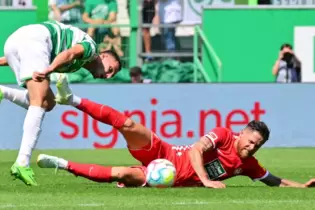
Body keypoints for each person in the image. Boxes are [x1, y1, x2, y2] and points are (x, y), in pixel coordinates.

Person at [37, 75, 315, 188]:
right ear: (242, 133)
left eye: (258, 146)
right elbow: (196, 150)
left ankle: (62, 164)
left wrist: (301, 187)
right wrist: (205, 180)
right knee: (130, 125)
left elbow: (273, 180)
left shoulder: (248, 165)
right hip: (165, 152)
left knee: (121, 174)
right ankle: (71, 99)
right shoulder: (223, 134)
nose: (252, 147)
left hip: (167, 178)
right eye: (252, 141)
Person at [0, 20, 121, 186]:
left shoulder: (76, 65)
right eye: (110, 70)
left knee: (48, 103)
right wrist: (49, 70)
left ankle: (3, 92)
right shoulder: (91, 49)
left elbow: (24, 51)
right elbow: (69, 53)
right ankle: (22, 163)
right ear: (104, 56)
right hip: (36, 40)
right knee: (39, 101)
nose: (107, 76)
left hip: (15, 43)